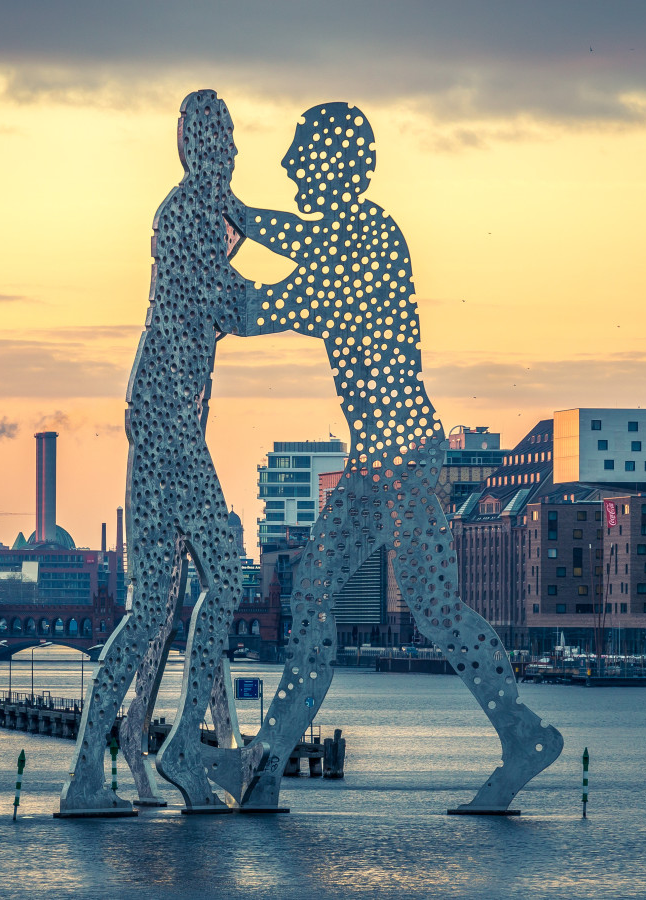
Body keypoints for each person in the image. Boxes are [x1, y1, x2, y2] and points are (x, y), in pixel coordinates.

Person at [210, 102, 563, 812]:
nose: (288, 166)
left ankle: (523, 733)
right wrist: (236, 215)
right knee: (311, 598)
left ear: (338, 164)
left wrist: (204, 255)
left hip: (408, 463)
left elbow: (259, 309)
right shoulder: (349, 236)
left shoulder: (367, 241)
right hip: (375, 466)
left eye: (301, 153)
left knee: (431, 606)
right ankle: (266, 765)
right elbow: (299, 238)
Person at [58, 89, 250, 816]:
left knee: (151, 612)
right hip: (170, 427)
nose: (231, 147)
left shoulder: (195, 211)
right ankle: (177, 751)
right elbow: (233, 303)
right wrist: (318, 298)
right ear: (194, 144)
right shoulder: (191, 212)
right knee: (226, 579)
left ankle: (92, 773)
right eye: (219, 136)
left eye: (231, 135)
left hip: (159, 422)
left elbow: (226, 275)